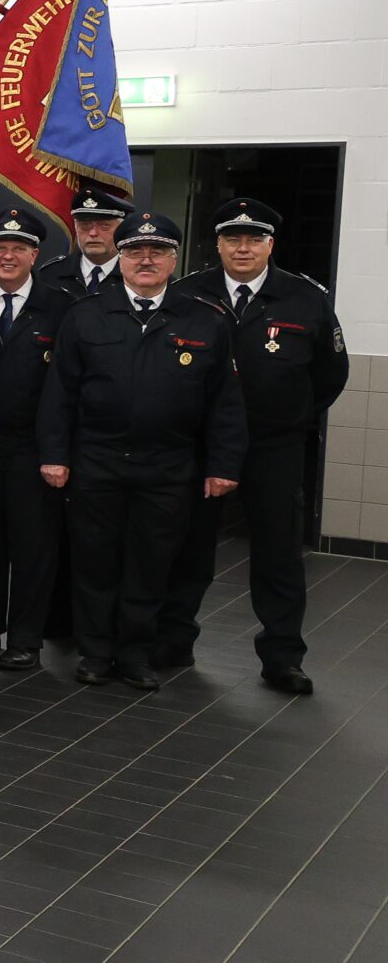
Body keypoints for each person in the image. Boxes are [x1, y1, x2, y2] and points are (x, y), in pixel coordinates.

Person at [39, 212, 246, 691]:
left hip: (168, 466)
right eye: (135, 252)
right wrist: (54, 454)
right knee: (94, 561)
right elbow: (59, 394)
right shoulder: (87, 314)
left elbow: (225, 403)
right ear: (121, 258)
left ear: (174, 259)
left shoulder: (204, 319)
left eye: (157, 252)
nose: (146, 260)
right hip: (97, 461)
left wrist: (223, 464)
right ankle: (95, 652)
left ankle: (135, 653)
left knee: (151, 564)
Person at [167, 198, 344, 694]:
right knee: (189, 546)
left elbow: (330, 374)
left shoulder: (304, 297)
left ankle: (283, 656)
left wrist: (289, 417)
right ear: (217, 244)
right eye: (232, 239)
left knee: (279, 554)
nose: (242, 248)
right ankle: (172, 640)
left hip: (273, 447)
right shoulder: (187, 294)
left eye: (254, 239)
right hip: (202, 445)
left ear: (271, 244)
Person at [0, 208, 74, 671]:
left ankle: (26, 639)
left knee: (33, 548)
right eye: (0, 248)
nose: (8, 256)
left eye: (19, 248)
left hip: (32, 449)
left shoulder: (60, 306)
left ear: (35, 254)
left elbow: (66, 386)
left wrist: (57, 451)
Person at [37, 187, 129, 296]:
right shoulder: (51, 274)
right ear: (76, 227)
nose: (93, 233)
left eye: (104, 225)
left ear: (121, 229)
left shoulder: (134, 275)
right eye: (85, 225)